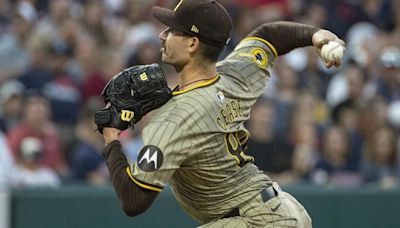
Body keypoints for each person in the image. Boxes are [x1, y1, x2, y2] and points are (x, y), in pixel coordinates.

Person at [99, 0, 345, 227]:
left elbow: (134, 201)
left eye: (172, 30)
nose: (163, 35)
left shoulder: (173, 119)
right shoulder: (236, 74)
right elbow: (268, 36)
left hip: (256, 220)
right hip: (285, 210)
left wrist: (111, 138)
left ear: (193, 43)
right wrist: (314, 34)